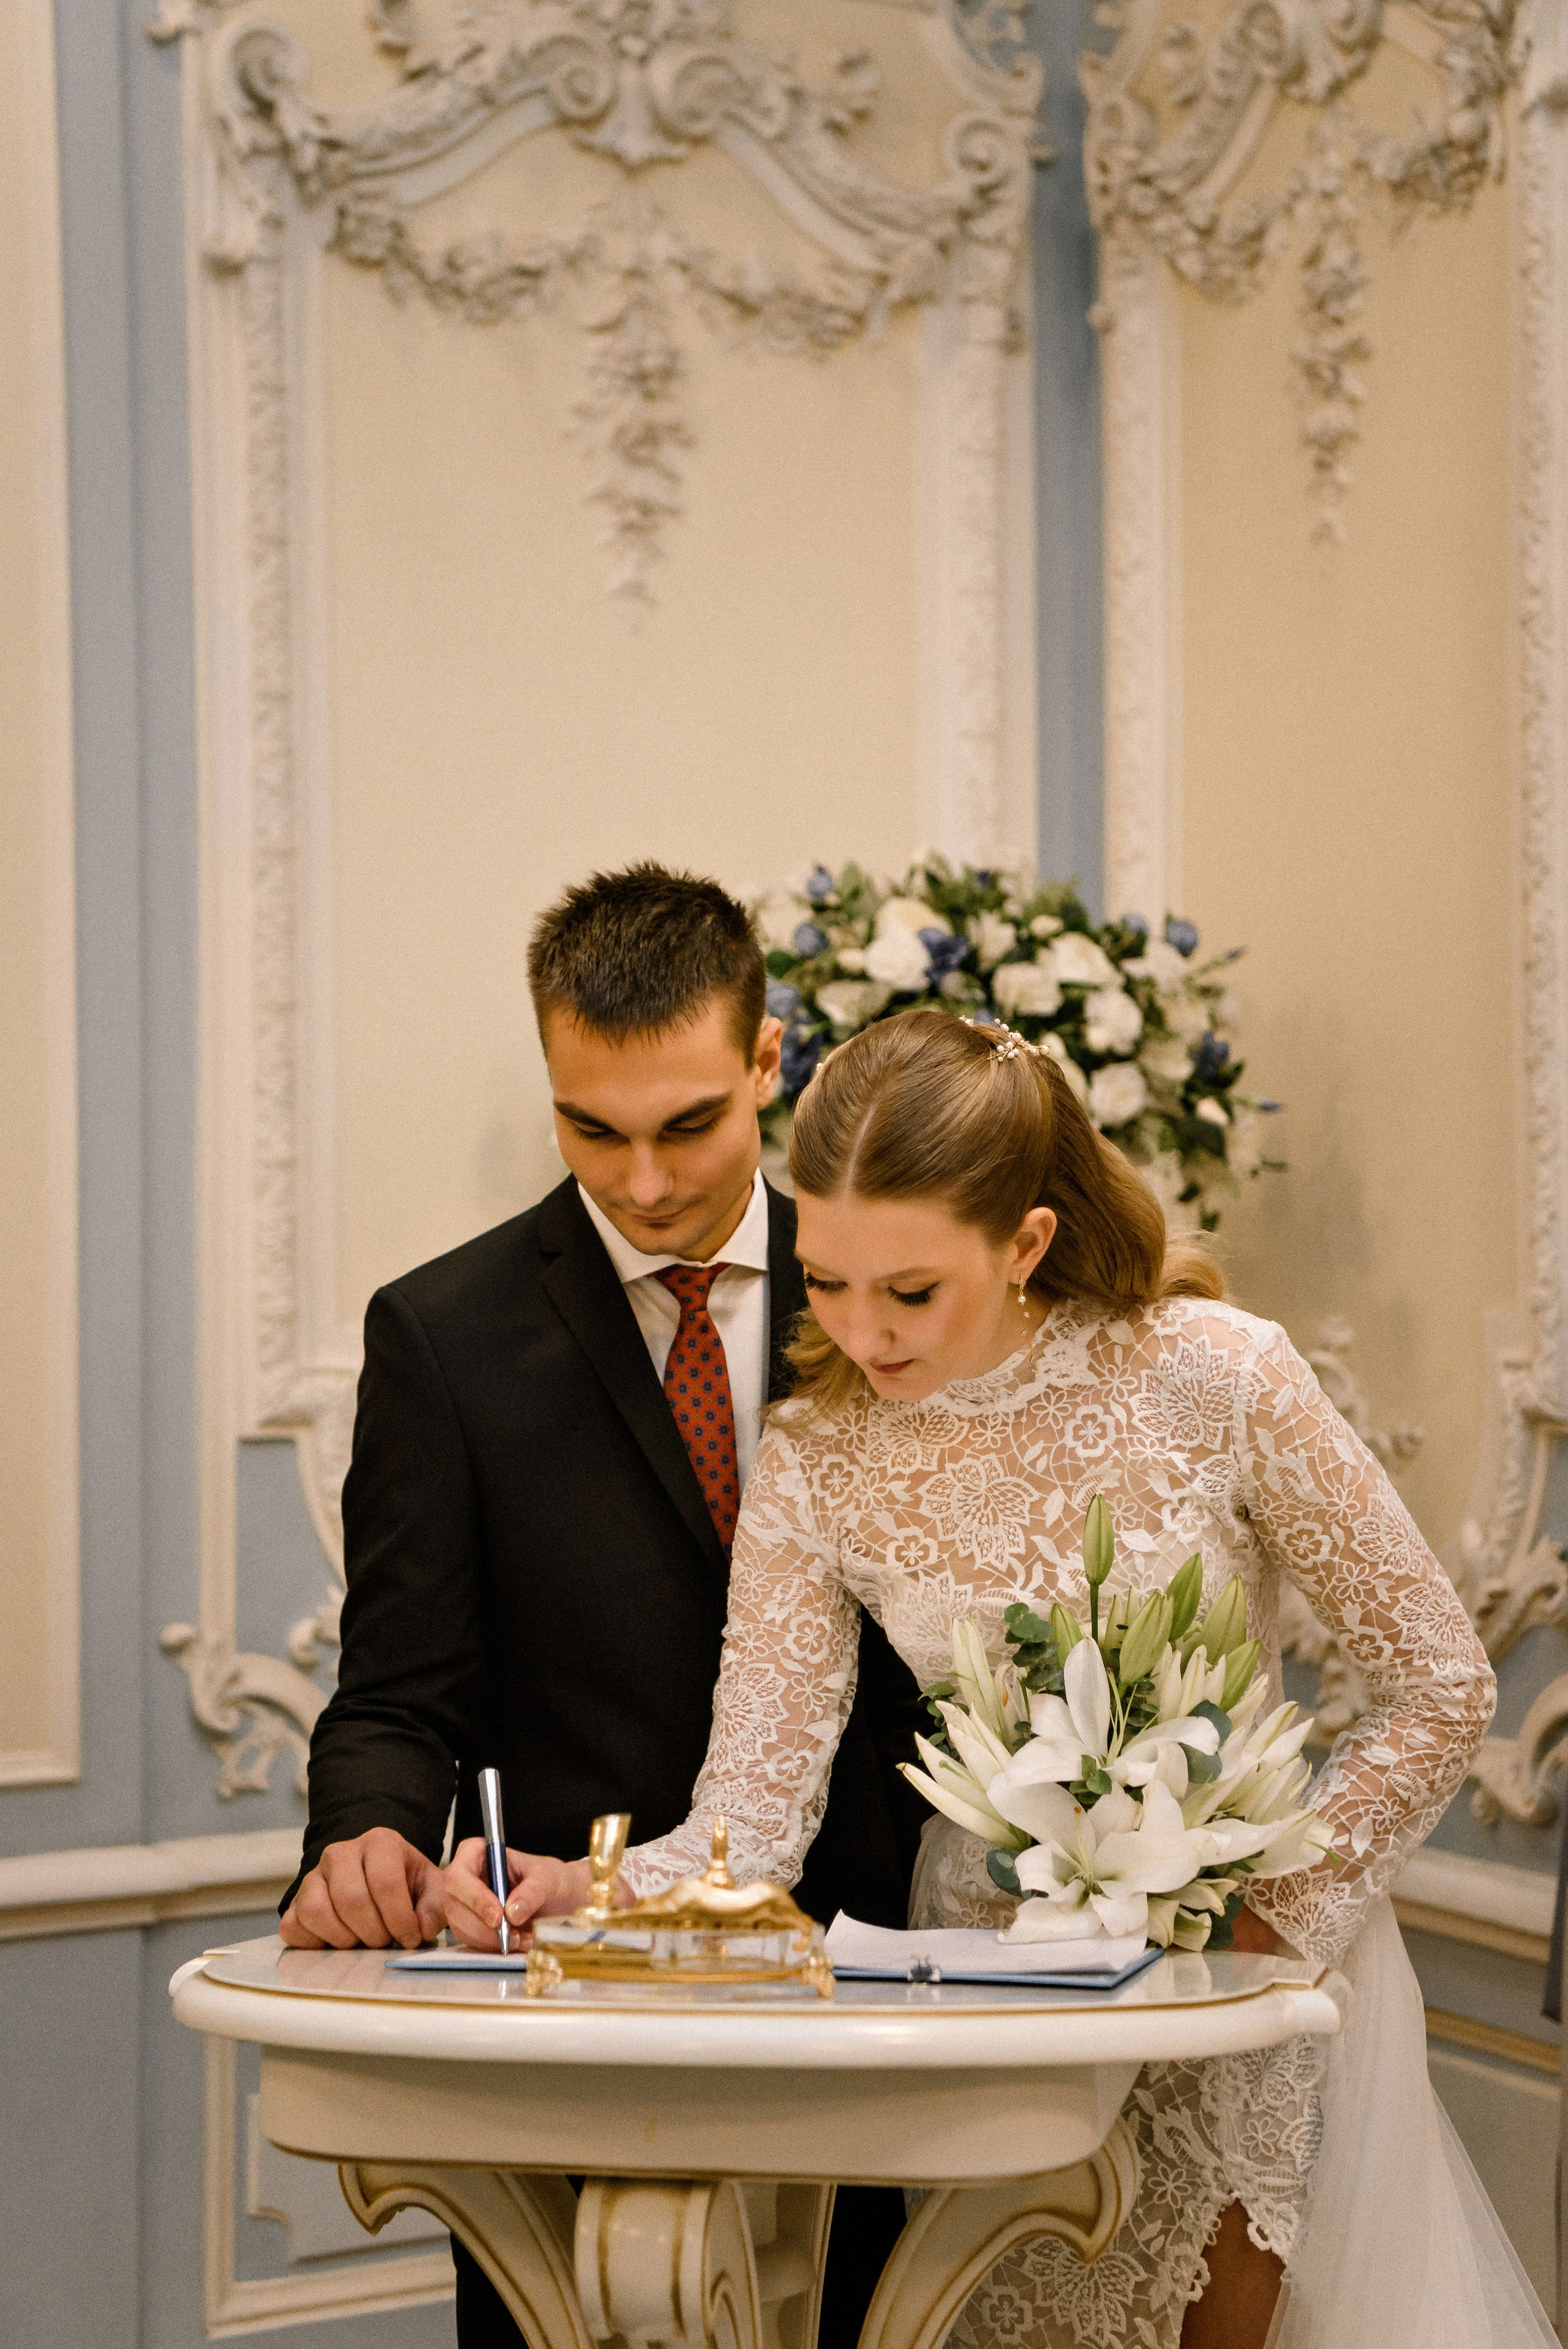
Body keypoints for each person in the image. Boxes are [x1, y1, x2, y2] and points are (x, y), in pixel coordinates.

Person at [449, 1008, 1557, 2349]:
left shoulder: (1218, 1378)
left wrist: (1273, 1922)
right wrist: (588, 1884)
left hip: (1232, 1993)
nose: (860, 1333)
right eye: (829, 1283)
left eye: (908, 1290)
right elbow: (753, 1807)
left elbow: (1438, 1681)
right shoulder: (817, 1454)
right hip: (984, 2009)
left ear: (1025, 1239)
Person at [277, 865, 925, 2348]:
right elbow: (394, 1691)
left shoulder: (895, 1295)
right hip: (580, 2002)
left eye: (688, 1124)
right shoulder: (440, 1336)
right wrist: (361, 1838)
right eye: (593, 1127)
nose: (641, 1181)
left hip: (891, 1988)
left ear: (770, 1061)